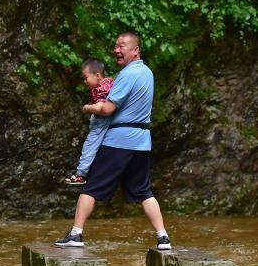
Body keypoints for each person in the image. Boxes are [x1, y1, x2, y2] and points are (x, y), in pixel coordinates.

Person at [54, 32, 171, 250]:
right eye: (116, 46)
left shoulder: (127, 75)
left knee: (91, 187)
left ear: (135, 50)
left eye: (122, 46)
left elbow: (107, 109)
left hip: (119, 140)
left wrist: (88, 107)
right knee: (143, 191)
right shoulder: (147, 73)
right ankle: (163, 237)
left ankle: (76, 234)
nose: (117, 49)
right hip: (142, 142)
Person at [63, 59, 114, 186]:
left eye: (86, 78)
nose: (85, 82)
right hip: (107, 121)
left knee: (89, 146)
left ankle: (81, 174)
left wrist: (87, 107)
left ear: (97, 76)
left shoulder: (101, 88)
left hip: (101, 120)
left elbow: (100, 108)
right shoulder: (108, 83)